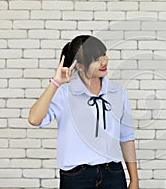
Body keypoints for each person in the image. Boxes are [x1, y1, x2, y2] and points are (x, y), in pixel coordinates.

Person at [28, 35, 139, 189]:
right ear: (79, 66)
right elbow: (34, 119)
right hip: (76, 177)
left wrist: (134, 180)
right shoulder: (64, 93)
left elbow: (126, 137)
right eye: (96, 59)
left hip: (113, 174)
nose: (104, 61)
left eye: (104, 54)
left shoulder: (118, 92)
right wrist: (56, 83)